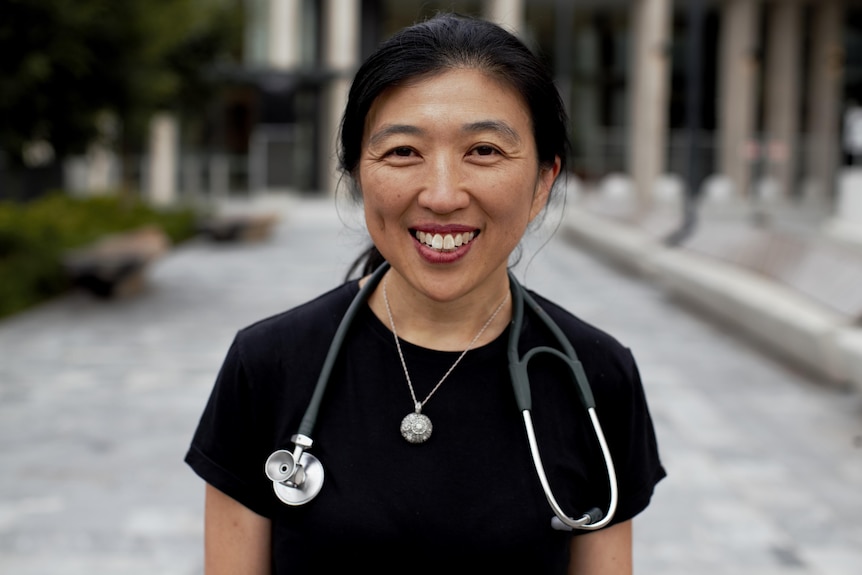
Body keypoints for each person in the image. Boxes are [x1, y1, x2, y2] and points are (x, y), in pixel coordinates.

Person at [185, 12, 665, 574]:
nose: (441, 195)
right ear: (359, 176)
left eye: (484, 150)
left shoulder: (596, 376)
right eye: (403, 152)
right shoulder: (268, 365)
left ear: (542, 181)